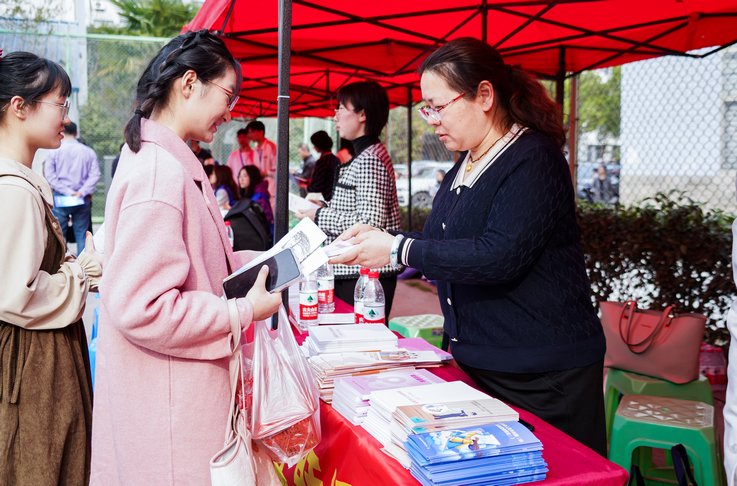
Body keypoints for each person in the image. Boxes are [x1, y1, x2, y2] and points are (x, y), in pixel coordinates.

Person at [331, 38, 607, 456]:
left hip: (542, 371)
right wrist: (383, 239)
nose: (432, 121)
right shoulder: (468, 158)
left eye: (438, 107)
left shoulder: (532, 157)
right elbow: (446, 242)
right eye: (427, 109)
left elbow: (499, 255)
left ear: (485, 96)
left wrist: (399, 249)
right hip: (483, 361)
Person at [90, 30, 282, 485]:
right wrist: (243, 310)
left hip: (170, 398)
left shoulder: (162, 160)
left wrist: (259, 262)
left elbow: (190, 261)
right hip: (171, 411)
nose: (230, 113)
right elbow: (144, 306)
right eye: (228, 96)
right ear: (189, 83)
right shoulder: (160, 172)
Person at [0, 50, 102, 485]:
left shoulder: (22, 181)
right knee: (39, 463)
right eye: (60, 103)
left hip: (35, 354)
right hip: (31, 360)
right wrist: (84, 272)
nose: (66, 115)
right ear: (19, 107)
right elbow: (15, 294)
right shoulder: (15, 190)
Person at [297, 81, 401, 316]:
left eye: (342, 108)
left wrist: (319, 214)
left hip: (364, 273)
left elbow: (369, 222)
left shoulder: (370, 159)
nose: (335, 116)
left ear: (362, 115)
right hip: (358, 271)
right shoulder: (367, 154)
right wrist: (324, 207)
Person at [44, 120, 101, 254]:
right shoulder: (88, 152)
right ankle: (83, 263)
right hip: (81, 198)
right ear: (76, 133)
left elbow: (49, 175)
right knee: (82, 234)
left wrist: (67, 191)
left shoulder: (54, 152)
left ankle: (61, 262)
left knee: (60, 234)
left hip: (61, 197)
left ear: (62, 131)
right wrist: (82, 191)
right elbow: (95, 174)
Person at [238, 164, 274, 231]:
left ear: (252, 177)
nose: (241, 179)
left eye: (245, 176)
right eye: (240, 176)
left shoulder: (260, 197)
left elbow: (264, 221)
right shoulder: (251, 193)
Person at [306, 130, 339, 202]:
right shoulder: (336, 160)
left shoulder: (322, 161)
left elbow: (317, 186)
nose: (314, 147)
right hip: (333, 198)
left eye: (314, 145)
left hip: (322, 199)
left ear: (319, 145)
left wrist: (308, 187)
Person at [246, 120, 277, 196]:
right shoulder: (255, 150)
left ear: (261, 132)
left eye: (252, 132)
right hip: (259, 189)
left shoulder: (272, 147)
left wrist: (265, 173)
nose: (250, 135)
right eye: (249, 133)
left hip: (271, 189)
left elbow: (278, 168)